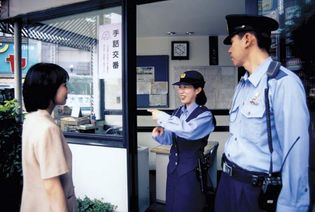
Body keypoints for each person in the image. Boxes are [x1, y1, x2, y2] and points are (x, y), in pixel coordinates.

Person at [215, 14, 310, 212]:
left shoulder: (283, 83)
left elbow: (296, 155)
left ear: (248, 39)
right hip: (227, 184)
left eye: (232, 42)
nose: (229, 49)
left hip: (254, 192)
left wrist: (291, 207)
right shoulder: (242, 85)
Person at [148, 70, 216, 212]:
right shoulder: (178, 112)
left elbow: (188, 131)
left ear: (198, 90)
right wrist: (160, 134)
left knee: (187, 207)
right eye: (180, 87)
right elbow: (172, 138)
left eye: (186, 87)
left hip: (191, 172)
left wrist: (163, 116)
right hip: (173, 169)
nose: (181, 91)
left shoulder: (205, 115)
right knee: (172, 206)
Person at [21, 63, 76, 212]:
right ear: (49, 88)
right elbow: (52, 186)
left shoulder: (31, 120)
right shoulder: (48, 129)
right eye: (64, 85)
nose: (67, 90)